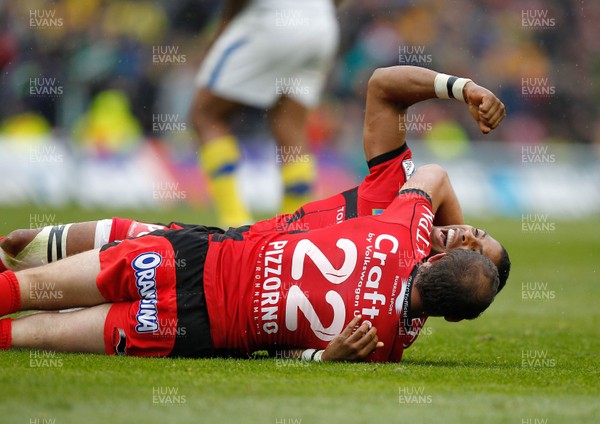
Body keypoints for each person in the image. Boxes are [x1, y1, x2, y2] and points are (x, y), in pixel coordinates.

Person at [0, 65, 510, 289]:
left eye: (472, 254)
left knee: (48, 303)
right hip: (216, 246)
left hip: (216, 300)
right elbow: (382, 87)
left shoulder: (389, 296)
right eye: (478, 234)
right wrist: (460, 87)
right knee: (20, 246)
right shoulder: (397, 196)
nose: (468, 236)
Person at [0, 163, 499, 362]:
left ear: (439, 256)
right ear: (450, 316)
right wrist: (326, 360)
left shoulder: (400, 231)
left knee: (28, 288)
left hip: (190, 260)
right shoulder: (383, 344)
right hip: (193, 329)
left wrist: (445, 240)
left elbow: (432, 172)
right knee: (32, 335)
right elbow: (281, 355)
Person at [190, 0, 340, 227]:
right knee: (289, 125)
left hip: (273, 20)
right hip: (323, 25)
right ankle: (293, 227)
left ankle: (235, 220)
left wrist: (224, 26)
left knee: (205, 115)